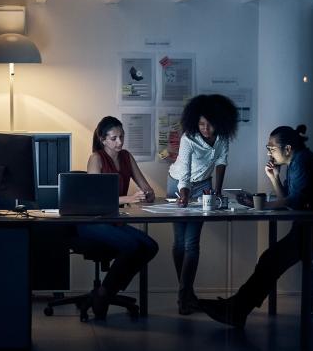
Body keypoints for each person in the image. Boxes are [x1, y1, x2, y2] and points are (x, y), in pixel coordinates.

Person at [200, 124, 313, 328]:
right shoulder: (296, 162)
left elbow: (294, 202)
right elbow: (290, 199)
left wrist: (264, 205)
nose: (269, 153)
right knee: (270, 258)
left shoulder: (301, 162)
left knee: (271, 258)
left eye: (271, 148)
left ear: (288, 149)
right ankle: (237, 307)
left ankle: (237, 309)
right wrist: (274, 177)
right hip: (309, 228)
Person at [75, 116, 159, 318]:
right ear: (103, 139)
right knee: (132, 247)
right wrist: (130, 198)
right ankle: (104, 293)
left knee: (151, 247)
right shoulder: (96, 158)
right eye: (114, 138)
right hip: (92, 221)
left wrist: (147, 194)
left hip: (114, 221)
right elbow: (97, 200)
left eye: (122, 137)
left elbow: (147, 188)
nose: (119, 142)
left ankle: (106, 292)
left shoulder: (126, 157)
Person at [166, 94, 239, 314]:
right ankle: (186, 295)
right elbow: (185, 175)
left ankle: (184, 295)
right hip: (178, 184)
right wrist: (184, 195)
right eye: (201, 124)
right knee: (180, 243)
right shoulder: (189, 138)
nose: (205, 129)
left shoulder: (223, 138)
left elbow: (221, 161)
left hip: (203, 186)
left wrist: (217, 191)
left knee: (192, 243)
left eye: (210, 124)